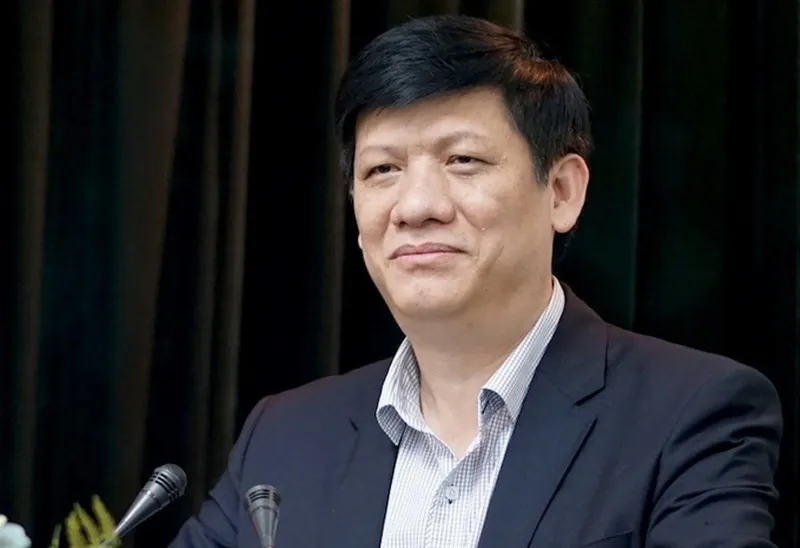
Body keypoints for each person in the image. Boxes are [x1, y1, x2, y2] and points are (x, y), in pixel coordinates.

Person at [169, 14, 782, 548]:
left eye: (462, 160)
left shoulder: (689, 412)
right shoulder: (286, 435)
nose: (416, 206)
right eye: (382, 169)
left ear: (562, 191)